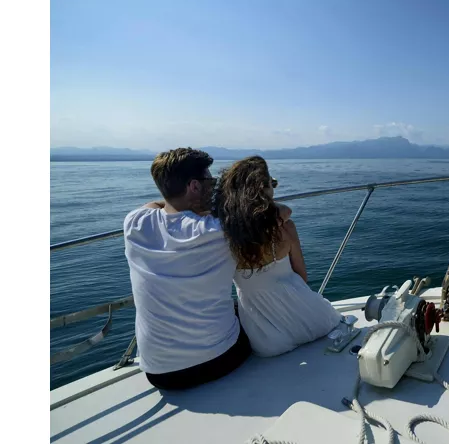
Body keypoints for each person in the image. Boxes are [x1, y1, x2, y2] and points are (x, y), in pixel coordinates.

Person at [123, 147, 252, 390]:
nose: (213, 187)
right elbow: (273, 213)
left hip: (159, 373)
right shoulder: (220, 230)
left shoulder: (134, 223)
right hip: (220, 359)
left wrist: (181, 203)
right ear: (194, 186)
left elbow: (154, 204)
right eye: (210, 181)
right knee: (249, 311)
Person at [213, 156, 342, 357]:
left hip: (267, 339)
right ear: (265, 189)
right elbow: (302, 277)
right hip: (314, 320)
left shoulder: (222, 235)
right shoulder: (286, 226)